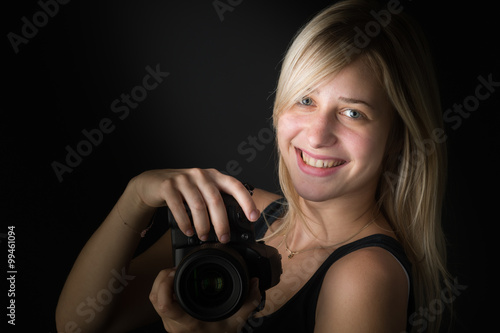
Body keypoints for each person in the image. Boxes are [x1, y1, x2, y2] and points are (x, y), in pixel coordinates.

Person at [56, 0, 452, 332]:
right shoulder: (237, 216)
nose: (317, 135)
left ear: (398, 136)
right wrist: (136, 197)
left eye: (352, 112)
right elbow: (76, 325)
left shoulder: (364, 274)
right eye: (306, 100)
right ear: (280, 108)